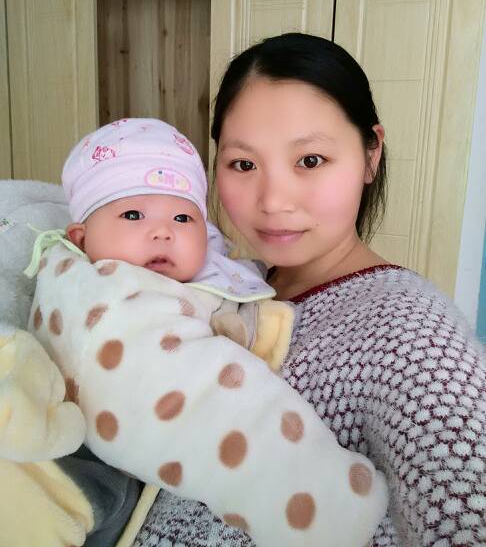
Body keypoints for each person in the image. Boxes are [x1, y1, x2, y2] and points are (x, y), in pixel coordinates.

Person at [134, 33, 486, 547]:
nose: (273, 201)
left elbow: (465, 499)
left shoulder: (411, 331)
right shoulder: (234, 284)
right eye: (244, 164)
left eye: (311, 160)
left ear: (371, 153)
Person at [25, 117, 389, 547]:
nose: (163, 231)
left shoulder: (193, 266)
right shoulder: (106, 296)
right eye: (133, 214)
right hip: (78, 486)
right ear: (81, 238)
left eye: (183, 217)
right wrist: (330, 503)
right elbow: (204, 403)